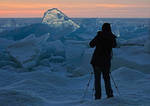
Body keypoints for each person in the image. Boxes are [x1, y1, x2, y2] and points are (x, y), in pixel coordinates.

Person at [89, 23, 117, 100]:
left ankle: (98, 97)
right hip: (106, 62)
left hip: (96, 61)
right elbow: (114, 45)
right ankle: (109, 95)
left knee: (97, 79)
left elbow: (91, 44)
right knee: (107, 78)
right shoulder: (112, 37)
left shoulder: (99, 36)